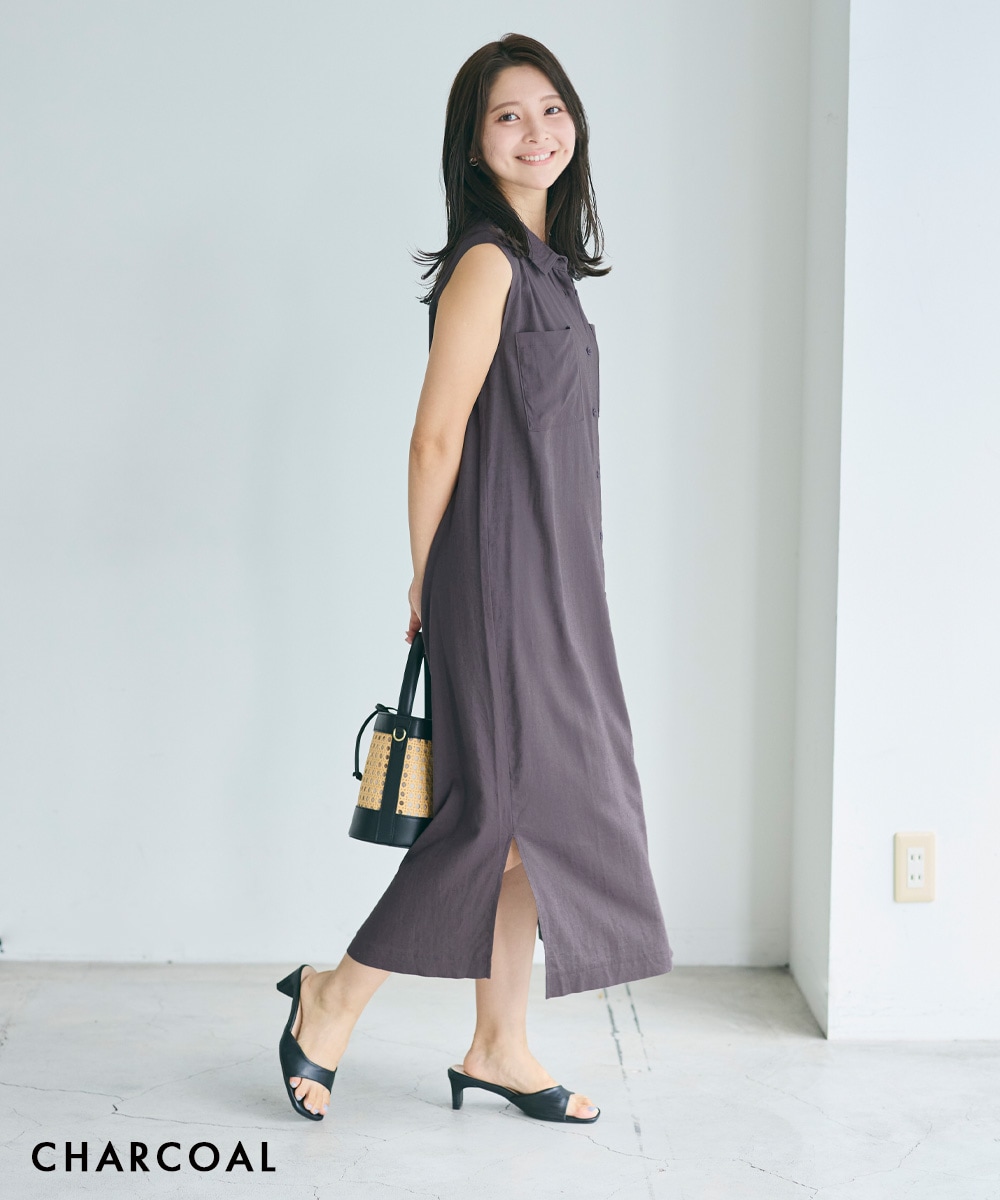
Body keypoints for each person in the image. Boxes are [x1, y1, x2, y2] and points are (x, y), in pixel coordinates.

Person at [276, 32, 673, 1126]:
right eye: (508, 115)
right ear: (472, 141)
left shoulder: (551, 270)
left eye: (552, 109)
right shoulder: (488, 263)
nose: (536, 131)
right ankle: (332, 997)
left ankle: (500, 1045)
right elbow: (434, 437)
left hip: (561, 585)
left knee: (556, 809)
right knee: (492, 811)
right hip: (495, 582)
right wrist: (425, 577)